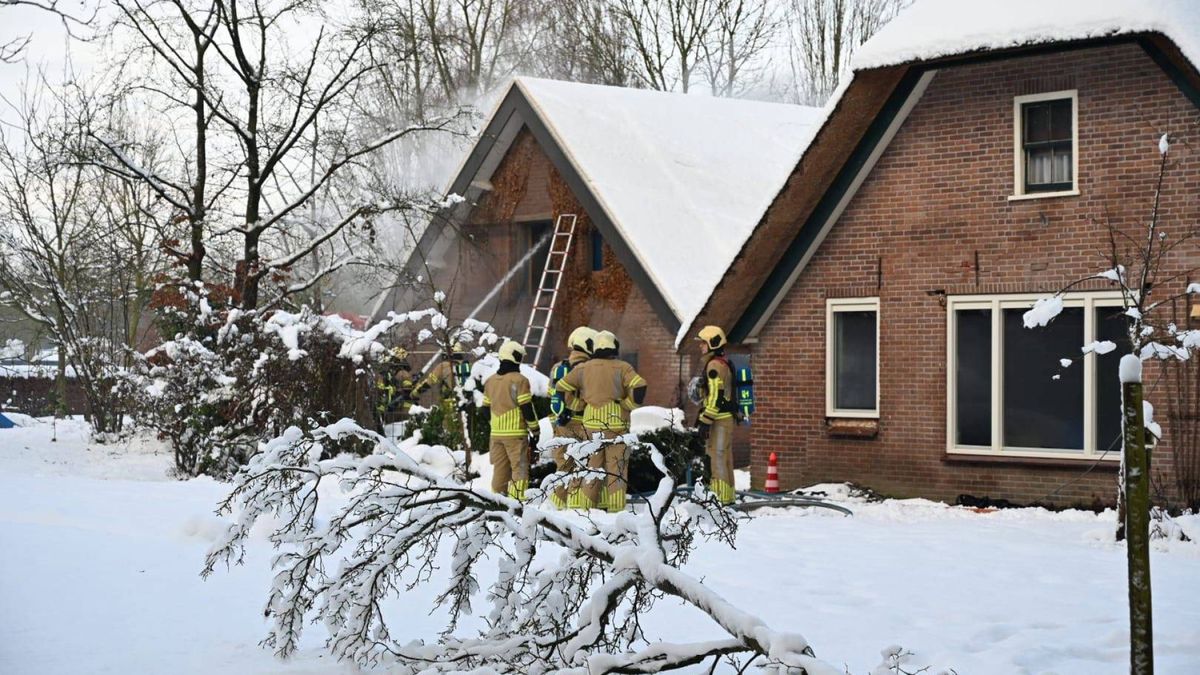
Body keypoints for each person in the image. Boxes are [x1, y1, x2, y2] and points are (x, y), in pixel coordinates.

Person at [556, 330, 646, 512]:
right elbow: (640, 386)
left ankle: (585, 510)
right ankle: (615, 512)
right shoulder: (623, 367)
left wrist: (577, 405)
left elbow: (561, 387)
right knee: (616, 472)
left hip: (591, 426)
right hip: (617, 427)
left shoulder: (583, 368)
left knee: (591, 469)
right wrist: (628, 404)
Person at [481, 340, 540, 500]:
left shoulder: (490, 381)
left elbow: (484, 408)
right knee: (519, 469)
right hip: (516, 435)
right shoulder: (520, 380)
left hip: (496, 435)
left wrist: (494, 424)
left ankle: (497, 503)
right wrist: (535, 430)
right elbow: (527, 408)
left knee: (500, 470)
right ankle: (517, 504)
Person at [547, 326, 596, 508]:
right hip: (583, 424)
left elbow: (551, 392)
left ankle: (556, 509)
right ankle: (575, 512)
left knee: (563, 467)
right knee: (580, 467)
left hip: (560, 424)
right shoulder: (590, 369)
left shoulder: (558, 368)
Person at [694, 325, 736, 505]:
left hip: (718, 420)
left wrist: (705, 421)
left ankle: (720, 501)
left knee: (717, 459)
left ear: (712, 343)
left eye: (703, 343)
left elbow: (715, 396)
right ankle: (728, 498)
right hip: (726, 418)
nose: (700, 346)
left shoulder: (713, 365)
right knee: (725, 459)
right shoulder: (724, 362)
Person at [375, 347, 415, 432]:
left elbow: (380, 392)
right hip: (401, 411)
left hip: (389, 410)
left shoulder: (385, 374)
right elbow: (408, 391)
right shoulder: (403, 373)